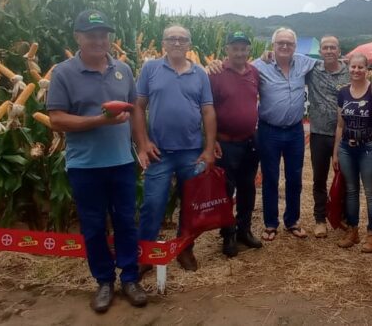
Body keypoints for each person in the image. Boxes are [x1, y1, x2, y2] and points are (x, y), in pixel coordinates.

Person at [47, 9, 147, 313]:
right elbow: (55, 119)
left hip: (121, 162)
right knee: (92, 225)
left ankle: (130, 277)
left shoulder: (124, 70)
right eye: (91, 35)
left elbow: (134, 113)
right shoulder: (63, 72)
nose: (99, 40)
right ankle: (104, 281)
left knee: (126, 222)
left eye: (104, 35)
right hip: (85, 165)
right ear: (78, 37)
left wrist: (141, 146)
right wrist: (99, 122)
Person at [133, 24, 217, 275]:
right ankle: (145, 254)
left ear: (189, 45)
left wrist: (209, 148)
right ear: (164, 44)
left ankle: (185, 248)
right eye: (172, 39)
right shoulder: (150, 69)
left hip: (191, 152)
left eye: (182, 39)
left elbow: (208, 111)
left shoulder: (200, 74)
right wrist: (143, 143)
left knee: (191, 205)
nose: (177, 43)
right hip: (159, 152)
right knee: (152, 204)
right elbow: (138, 107)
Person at [253, 27, 317, 241]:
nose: (284, 46)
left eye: (289, 43)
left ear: (295, 47)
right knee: (270, 177)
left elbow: (331, 64)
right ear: (273, 45)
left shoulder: (304, 63)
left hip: (295, 131)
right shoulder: (259, 65)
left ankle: (292, 221)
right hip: (268, 130)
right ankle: (271, 223)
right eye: (280, 42)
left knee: (295, 178)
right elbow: (237, 71)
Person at [209, 31, 263, 253]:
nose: (239, 52)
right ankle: (228, 233)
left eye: (243, 48)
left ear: (249, 50)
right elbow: (206, 109)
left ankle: (244, 230)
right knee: (225, 190)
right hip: (226, 143)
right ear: (227, 50)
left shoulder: (254, 72)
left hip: (250, 141)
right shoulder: (215, 73)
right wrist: (210, 140)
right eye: (235, 48)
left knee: (247, 188)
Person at [332, 53, 372, 252]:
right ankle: (353, 231)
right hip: (346, 147)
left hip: (369, 146)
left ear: (367, 68)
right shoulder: (343, 92)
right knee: (351, 191)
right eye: (353, 67)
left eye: (360, 67)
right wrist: (336, 152)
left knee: (371, 193)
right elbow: (339, 124)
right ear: (348, 68)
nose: (356, 71)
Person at [305, 36, 350, 238]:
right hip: (319, 134)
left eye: (333, 47)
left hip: (346, 135)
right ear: (321, 52)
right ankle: (320, 219)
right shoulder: (312, 70)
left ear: (339, 51)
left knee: (347, 178)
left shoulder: (350, 72)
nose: (329, 50)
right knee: (319, 178)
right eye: (325, 47)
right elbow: (288, 59)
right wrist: (267, 55)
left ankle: (344, 217)